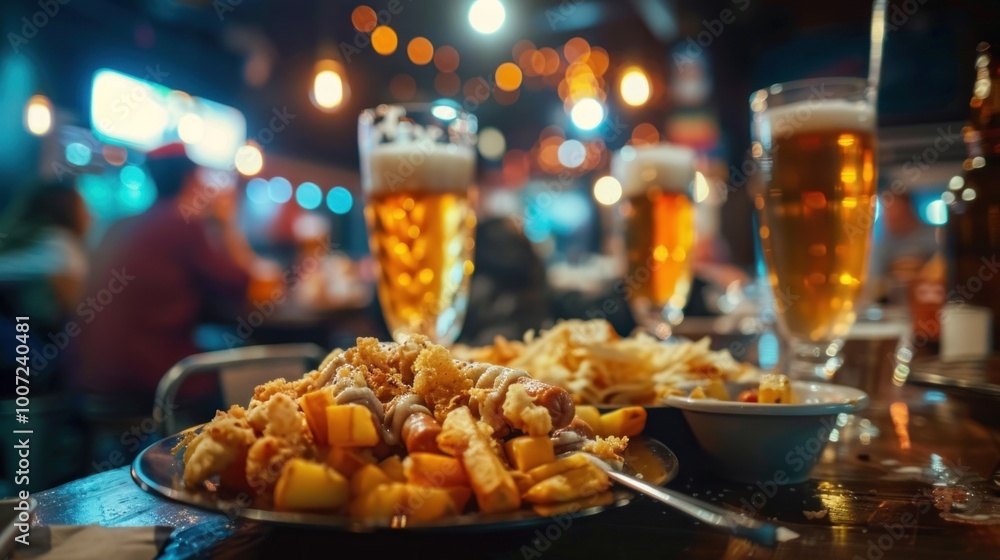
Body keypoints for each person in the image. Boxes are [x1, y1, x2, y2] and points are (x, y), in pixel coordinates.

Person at [74, 145, 256, 415]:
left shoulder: (118, 225)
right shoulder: (183, 222)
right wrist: (227, 222)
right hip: (148, 380)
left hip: (87, 376)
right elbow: (238, 284)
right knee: (245, 375)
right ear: (191, 179)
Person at [0, 180, 91, 392]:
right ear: (68, 211)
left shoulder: (17, 241)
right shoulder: (60, 246)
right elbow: (82, 314)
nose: (91, 216)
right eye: (85, 207)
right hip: (28, 364)